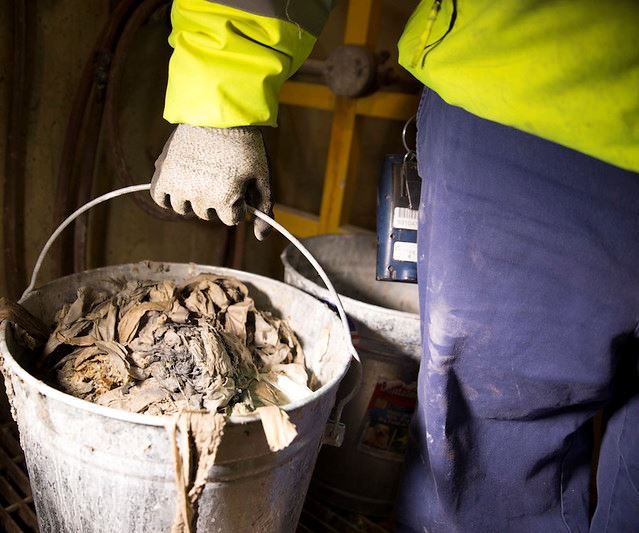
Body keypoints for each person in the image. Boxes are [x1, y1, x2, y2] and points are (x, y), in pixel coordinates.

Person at [150, 1, 639, 530]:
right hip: (539, 115)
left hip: (530, 107)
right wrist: (220, 98)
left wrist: (221, 90)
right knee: (494, 466)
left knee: (487, 468)